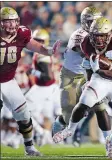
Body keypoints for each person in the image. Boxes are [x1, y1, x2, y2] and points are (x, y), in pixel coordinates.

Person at [53, 17, 112, 159]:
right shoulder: (86, 43)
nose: (98, 40)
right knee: (84, 102)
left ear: (110, 34)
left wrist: (99, 69)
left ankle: (111, 140)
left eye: (102, 36)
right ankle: (70, 130)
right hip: (99, 79)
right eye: (96, 35)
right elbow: (90, 65)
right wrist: (91, 77)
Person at [0, 7, 60, 156]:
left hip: (8, 80)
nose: (12, 25)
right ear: (1, 23)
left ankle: (29, 148)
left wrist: (48, 51)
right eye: (8, 21)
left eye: (14, 21)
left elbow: (33, 45)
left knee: (25, 116)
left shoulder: (22, 33)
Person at [52, 7, 112, 144]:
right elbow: (88, 54)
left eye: (97, 21)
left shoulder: (99, 35)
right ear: (85, 22)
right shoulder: (79, 35)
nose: (95, 25)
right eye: (92, 22)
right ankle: (60, 122)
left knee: (100, 106)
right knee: (70, 114)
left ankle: (109, 141)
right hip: (72, 76)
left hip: (87, 76)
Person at [25, 28, 61, 146]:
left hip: (43, 88)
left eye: (39, 40)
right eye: (35, 40)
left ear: (45, 41)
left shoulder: (41, 54)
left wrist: (33, 72)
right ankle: (46, 136)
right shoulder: (43, 52)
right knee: (46, 115)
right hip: (47, 88)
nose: (36, 42)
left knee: (22, 111)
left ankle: (41, 133)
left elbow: (48, 76)